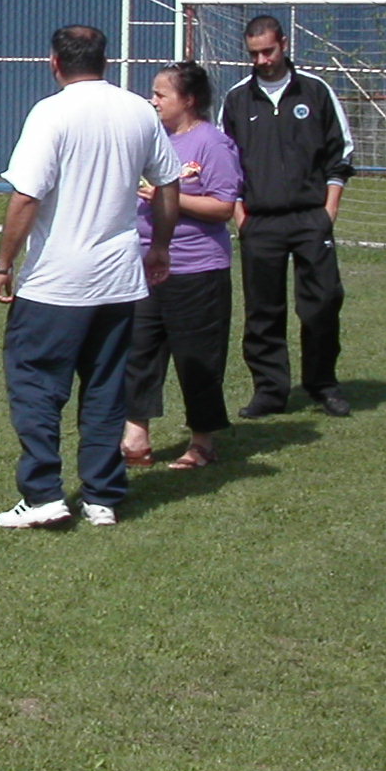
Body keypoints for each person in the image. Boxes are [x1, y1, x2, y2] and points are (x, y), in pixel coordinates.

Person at [0, 24, 182, 530]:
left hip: (57, 281)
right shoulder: (138, 111)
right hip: (118, 280)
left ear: (55, 62)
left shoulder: (51, 113)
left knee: (35, 384)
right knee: (106, 387)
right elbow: (168, 183)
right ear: (105, 60)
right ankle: (101, 496)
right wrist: (160, 246)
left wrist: (4, 263)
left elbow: (26, 196)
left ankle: (43, 494)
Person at [218, 14, 356, 419]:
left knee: (323, 303)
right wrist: (241, 216)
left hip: (311, 217)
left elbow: (340, 152)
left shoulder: (315, 90)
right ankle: (270, 391)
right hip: (260, 222)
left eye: (268, 51)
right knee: (263, 310)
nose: (262, 60)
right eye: (254, 54)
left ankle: (322, 384)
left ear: (284, 43)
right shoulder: (237, 99)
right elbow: (225, 163)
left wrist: (329, 210)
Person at [122, 62, 242, 471]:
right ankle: (136, 436)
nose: (153, 101)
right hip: (143, 266)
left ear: (188, 100)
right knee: (138, 351)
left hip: (196, 269)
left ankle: (203, 441)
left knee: (198, 358)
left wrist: (169, 197)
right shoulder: (152, 140)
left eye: (162, 94)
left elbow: (223, 207)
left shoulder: (212, 143)